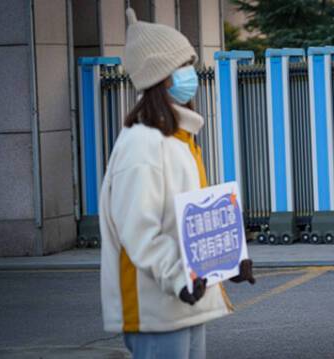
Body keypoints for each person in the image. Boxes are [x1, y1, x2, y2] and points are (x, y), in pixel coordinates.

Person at [99, 9, 254, 359]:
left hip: (186, 301)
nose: (192, 73)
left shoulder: (179, 138)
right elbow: (140, 232)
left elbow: (191, 221)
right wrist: (179, 277)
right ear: (161, 75)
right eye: (183, 65)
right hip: (156, 309)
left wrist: (228, 261)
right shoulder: (142, 144)